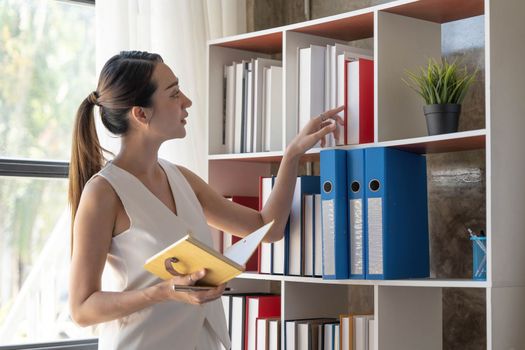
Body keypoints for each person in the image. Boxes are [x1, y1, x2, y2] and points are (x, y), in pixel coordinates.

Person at [68, 50, 343, 350]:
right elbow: (82, 309)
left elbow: (267, 227)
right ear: (141, 114)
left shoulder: (182, 179)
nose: (187, 101)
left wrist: (291, 156)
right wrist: (162, 291)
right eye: (173, 94)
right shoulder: (104, 193)